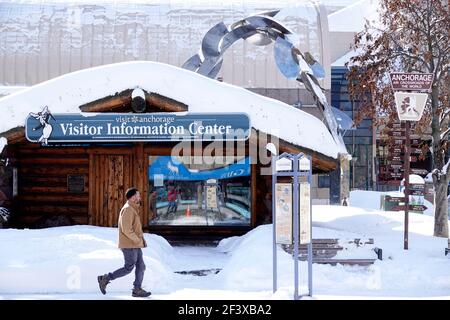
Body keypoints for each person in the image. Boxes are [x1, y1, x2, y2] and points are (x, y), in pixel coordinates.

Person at [97, 187, 151, 298]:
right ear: (132, 197)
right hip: (129, 245)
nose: (140, 197)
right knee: (128, 268)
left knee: (141, 266)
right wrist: (137, 240)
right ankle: (105, 278)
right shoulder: (128, 210)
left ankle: (137, 289)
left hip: (135, 244)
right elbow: (126, 229)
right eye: (138, 195)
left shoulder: (133, 208)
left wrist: (138, 241)